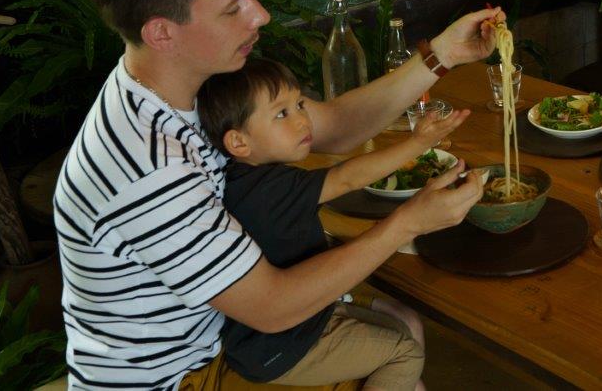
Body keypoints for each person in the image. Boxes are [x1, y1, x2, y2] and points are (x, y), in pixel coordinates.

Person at [52, 0, 499, 390]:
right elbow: (272, 307)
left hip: (226, 335)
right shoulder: (148, 167)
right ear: (162, 32)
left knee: (402, 327)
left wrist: (443, 54)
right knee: (399, 350)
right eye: (233, 7)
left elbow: (335, 125)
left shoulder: (195, 82)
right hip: (181, 377)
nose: (260, 14)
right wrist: (409, 221)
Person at [197, 57, 468, 388]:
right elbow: (348, 178)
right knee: (405, 353)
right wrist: (418, 143)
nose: (302, 121)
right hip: (283, 347)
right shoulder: (273, 189)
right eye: (282, 114)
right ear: (238, 141)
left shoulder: (240, 179)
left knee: (399, 329)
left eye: (299, 105)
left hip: (273, 333)